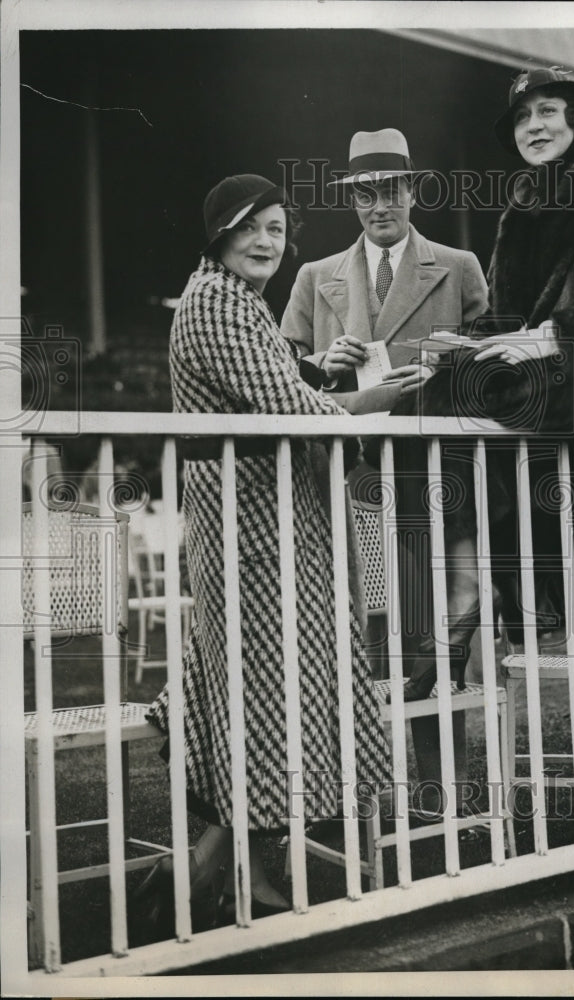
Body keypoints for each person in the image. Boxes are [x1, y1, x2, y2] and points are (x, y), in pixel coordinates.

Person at [137, 174, 391, 934]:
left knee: (274, 687)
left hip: (268, 516)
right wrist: (377, 399)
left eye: (278, 230)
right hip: (249, 522)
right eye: (251, 227)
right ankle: (212, 879)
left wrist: (321, 374)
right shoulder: (215, 302)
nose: (266, 243)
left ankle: (219, 873)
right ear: (219, 233)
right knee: (264, 687)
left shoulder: (235, 302)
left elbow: (280, 388)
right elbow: (283, 407)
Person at [391, 65, 574, 673]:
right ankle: (466, 586)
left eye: (546, 111)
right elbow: (505, 321)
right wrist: (464, 345)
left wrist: (551, 337)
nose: (533, 126)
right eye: (523, 117)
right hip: (531, 379)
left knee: (465, 419)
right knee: (412, 403)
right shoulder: (520, 208)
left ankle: (520, 601)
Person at [280, 127, 489, 809]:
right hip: (354, 477)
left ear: (411, 191)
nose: (379, 206)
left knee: (445, 625)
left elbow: (500, 365)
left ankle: (442, 790)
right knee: (373, 629)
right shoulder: (316, 278)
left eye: (390, 190)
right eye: (365, 194)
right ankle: (364, 792)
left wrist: (457, 360)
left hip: (439, 471)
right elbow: (281, 382)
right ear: (352, 200)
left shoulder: (457, 266)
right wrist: (322, 366)